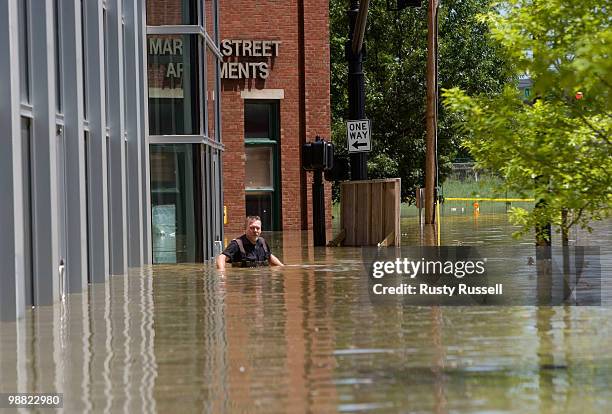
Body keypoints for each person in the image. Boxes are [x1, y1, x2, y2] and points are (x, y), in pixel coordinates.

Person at [216, 216, 284, 270]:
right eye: (252, 228)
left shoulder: (263, 242)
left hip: (261, 282)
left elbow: (269, 257)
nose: (255, 230)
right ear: (245, 229)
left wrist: (282, 268)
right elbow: (221, 258)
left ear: (261, 230)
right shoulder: (237, 244)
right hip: (244, 282)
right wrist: (222, 274)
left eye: (257, 228)